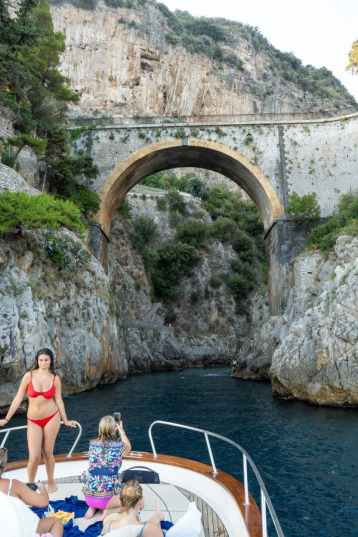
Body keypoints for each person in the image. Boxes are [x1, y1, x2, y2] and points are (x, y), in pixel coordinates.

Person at [0, 347, 76, 493]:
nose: (43, 363)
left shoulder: (55, 379)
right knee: (34, 457)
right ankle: (30, 484)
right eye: (40, 360)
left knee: (48, 452)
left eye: (46, 360)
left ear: (51, 361)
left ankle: (51, 481)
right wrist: (7, 418)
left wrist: (65, 420)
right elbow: (18, 398)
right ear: (37, 360)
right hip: (33, 420)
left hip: (52, 417)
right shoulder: (29, 376)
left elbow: (59, 401)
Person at [83, 415, 131, 521]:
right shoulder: (118, 446)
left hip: (88, 496)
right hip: (105, 500)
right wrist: (121, 431)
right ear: (114, 428)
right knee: (135, 501)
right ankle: (109, 511)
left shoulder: (92, 444)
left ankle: (92, 507)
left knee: (98, 477)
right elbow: (128, 448)